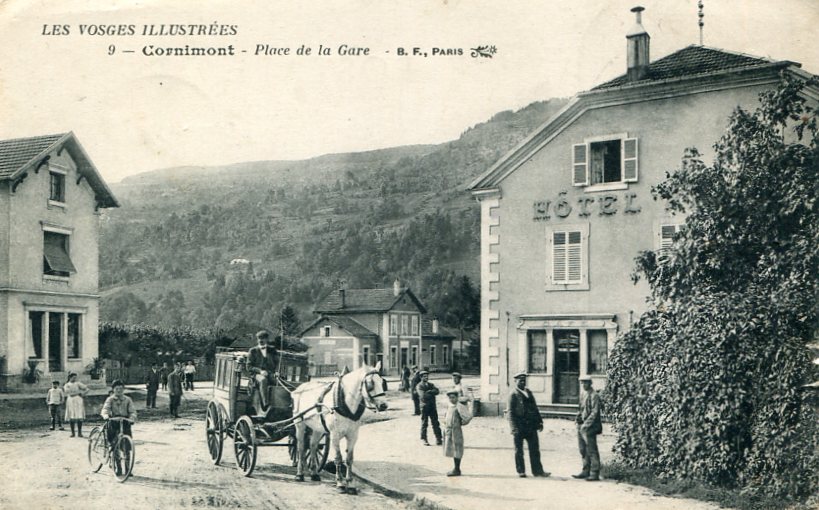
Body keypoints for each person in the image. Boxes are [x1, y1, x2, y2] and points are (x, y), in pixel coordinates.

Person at [507, 372, 549, 478]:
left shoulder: (529, 392)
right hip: (519, 425)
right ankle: (521, 471)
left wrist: (539, 422)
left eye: (524, 380)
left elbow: (535, 408)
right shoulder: (513, 395)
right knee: (519, 450)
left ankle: (538, 471)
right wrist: (513, 428)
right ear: (515, 381)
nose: (522, 382)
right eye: (520, 380)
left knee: (535, 449)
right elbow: (510, 412)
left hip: (531, 425)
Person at [101, 379, 137, 475]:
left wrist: (132, 418)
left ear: (123, 389)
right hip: (113, 422)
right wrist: (106, 416)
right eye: (117, 389)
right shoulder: (110, 399)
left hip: (125, 422)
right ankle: (118, 468)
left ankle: (128, 469)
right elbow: (105, 409)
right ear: (113, 390)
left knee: (126, 446)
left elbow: (133, 411)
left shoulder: (127, 400)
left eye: (121, 389)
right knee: (114, 445)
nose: (119, 391)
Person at [572, 376, 603, 482]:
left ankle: (594, 472)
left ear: (590, 383)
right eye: (582, 383)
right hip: (581, 425)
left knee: (591, 449)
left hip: (590, 426)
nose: (584, 385)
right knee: (582, 449)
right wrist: (578, 418)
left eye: (586, 383)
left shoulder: (594, 396)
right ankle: (585, 470)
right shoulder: (583, 394)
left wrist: (586, 424)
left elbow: (595, 412)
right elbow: (580, 408)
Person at [247, 330, 278, 414]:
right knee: (263, 380)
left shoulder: (272, 350)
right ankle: (265, 405)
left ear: (267, 339)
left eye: (263, 338)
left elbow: (277, 363)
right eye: (259, 338)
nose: (261, 340)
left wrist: (276, 372)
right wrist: (260, 371)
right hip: (256, 376)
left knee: (279, 382)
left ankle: (279, 404)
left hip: (270, 374)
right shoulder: (252, 351)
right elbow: (249, 367)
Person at [443, 388, 472, 476]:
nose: (452, 399)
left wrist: (462, 422)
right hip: (449, 430)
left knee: (457, 449)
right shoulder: (449, 405)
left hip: (456, 431)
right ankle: (455, 468)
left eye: (453, 397)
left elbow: (468, 417)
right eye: (450, 398)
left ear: (457, 398)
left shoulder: (459, 406)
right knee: (451, 449)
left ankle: (457, 469)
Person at [416, 370, 442, 446]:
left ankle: (439, 438)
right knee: (424, 423)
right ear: (421, 377)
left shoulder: (431, 384)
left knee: (435, 423)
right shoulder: (419, 386)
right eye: (424, 376)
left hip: (432, 406)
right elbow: (423, 396)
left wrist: (429, 392)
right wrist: (431, 392)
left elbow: (437, 391)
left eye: (427, 376)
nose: (426, 377)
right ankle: (424, 439)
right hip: (424, 407)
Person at [63, 372, 89, 437]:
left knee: (79, 416)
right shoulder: (67, 385)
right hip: (71, 400)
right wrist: (78, 392)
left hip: (78, 400)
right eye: (73, 377)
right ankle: (72, 433)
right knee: (72, 416)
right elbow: (68, 392)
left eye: (75, 377)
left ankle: (79, 433)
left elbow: (87, 389)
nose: (74, 379)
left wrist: (83, 393)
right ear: (70, 377)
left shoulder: (78, 383)